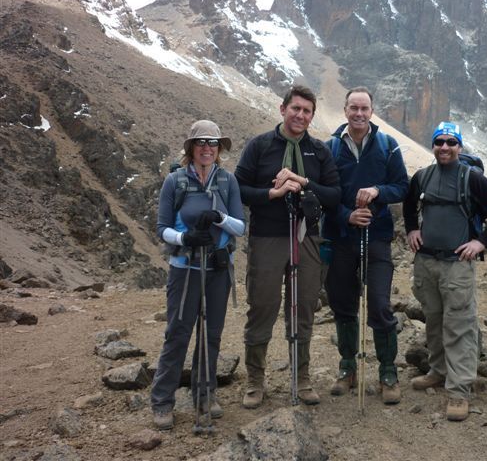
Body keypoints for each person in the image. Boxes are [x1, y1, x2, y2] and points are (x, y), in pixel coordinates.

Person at [234, 85, 341, 408]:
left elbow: (334, 196)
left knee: (304, 306)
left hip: (306, 238)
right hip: (267, 237)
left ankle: (301, 378)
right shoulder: (260, 146)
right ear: (283, 109)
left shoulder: (319, 151)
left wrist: (304, 183)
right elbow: (238, 189)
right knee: (262, 305)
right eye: (295, 108)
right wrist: (273, 194)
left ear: (312, 116)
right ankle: (255, 381)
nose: (300, 115)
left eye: (307, 111)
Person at [402, 121, 487, 421]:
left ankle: (459, 389)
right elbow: (409, 204)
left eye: (451, 142)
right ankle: (438, 371)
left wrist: (481, 242)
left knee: (460, 324)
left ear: (459, 146)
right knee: (434, 320)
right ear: (433, 145)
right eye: (439, 142)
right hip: (426, 262)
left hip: (457, 265)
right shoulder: (422, 177)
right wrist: (412, 229)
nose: (444, 147)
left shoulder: (472, 178)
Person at [151, 120, 245, 430]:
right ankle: (162, 401)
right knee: (178, 333)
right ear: (191, 147)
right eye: (201, 142)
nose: (207, 148)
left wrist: (219, 217)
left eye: (213, 143)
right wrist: (185, 238)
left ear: (219, 149)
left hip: (218, 268)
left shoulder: (228, 181)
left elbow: (240, 227)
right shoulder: (175, 181)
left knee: (211, 334)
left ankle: (204, 394)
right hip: (186, 269)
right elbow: (162, 228)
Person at [322, 87, 409, 404]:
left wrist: (377, 191)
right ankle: (348, 367)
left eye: (364, 108)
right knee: (342, 303)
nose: (359, 113)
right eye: (353, 108)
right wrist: (346, 215)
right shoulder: (330, 148)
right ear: (345, 110)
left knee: (380, 304)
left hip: (377, 237)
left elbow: (402, 186)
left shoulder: (388, 145)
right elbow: (324, 194)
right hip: (341, 238)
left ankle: (388, 371)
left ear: (372, 111)